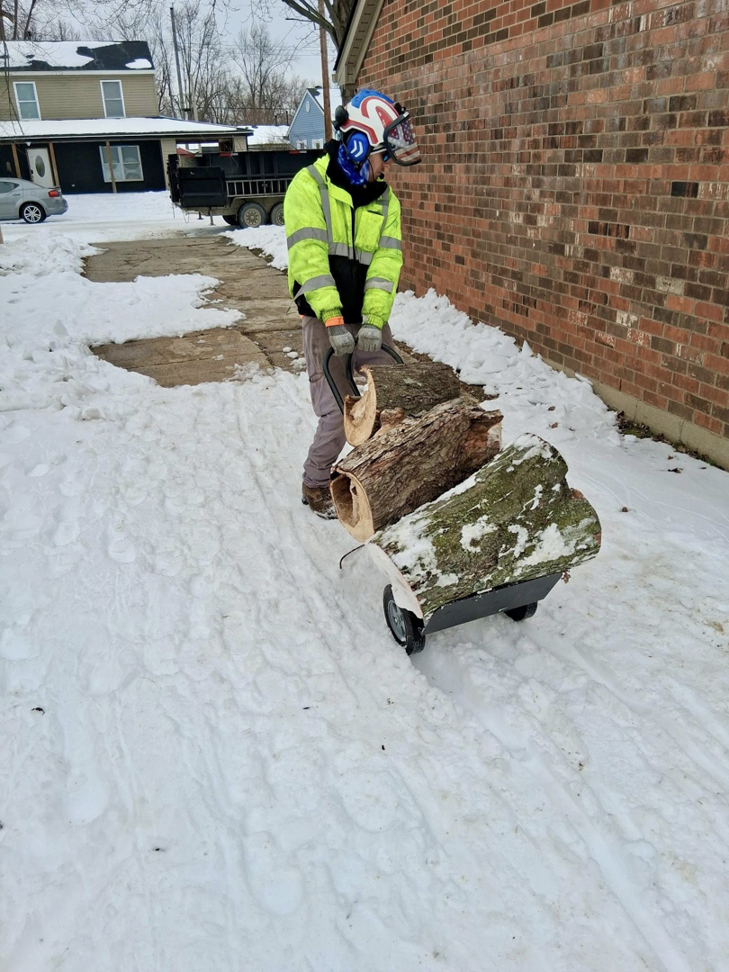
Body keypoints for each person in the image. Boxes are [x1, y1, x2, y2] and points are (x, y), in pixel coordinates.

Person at [283, 89, 421, 518]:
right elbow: (309, 259)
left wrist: (374, 320)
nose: (387, 168)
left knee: (395, 400)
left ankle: (378, 475)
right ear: (360, 145)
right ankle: (316, 483)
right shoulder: (309, 187)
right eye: (384, 156)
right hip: (324, 321)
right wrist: (333, 317)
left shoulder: (385, 202)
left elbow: (385, 265)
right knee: (338, 414)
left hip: (365, 321)